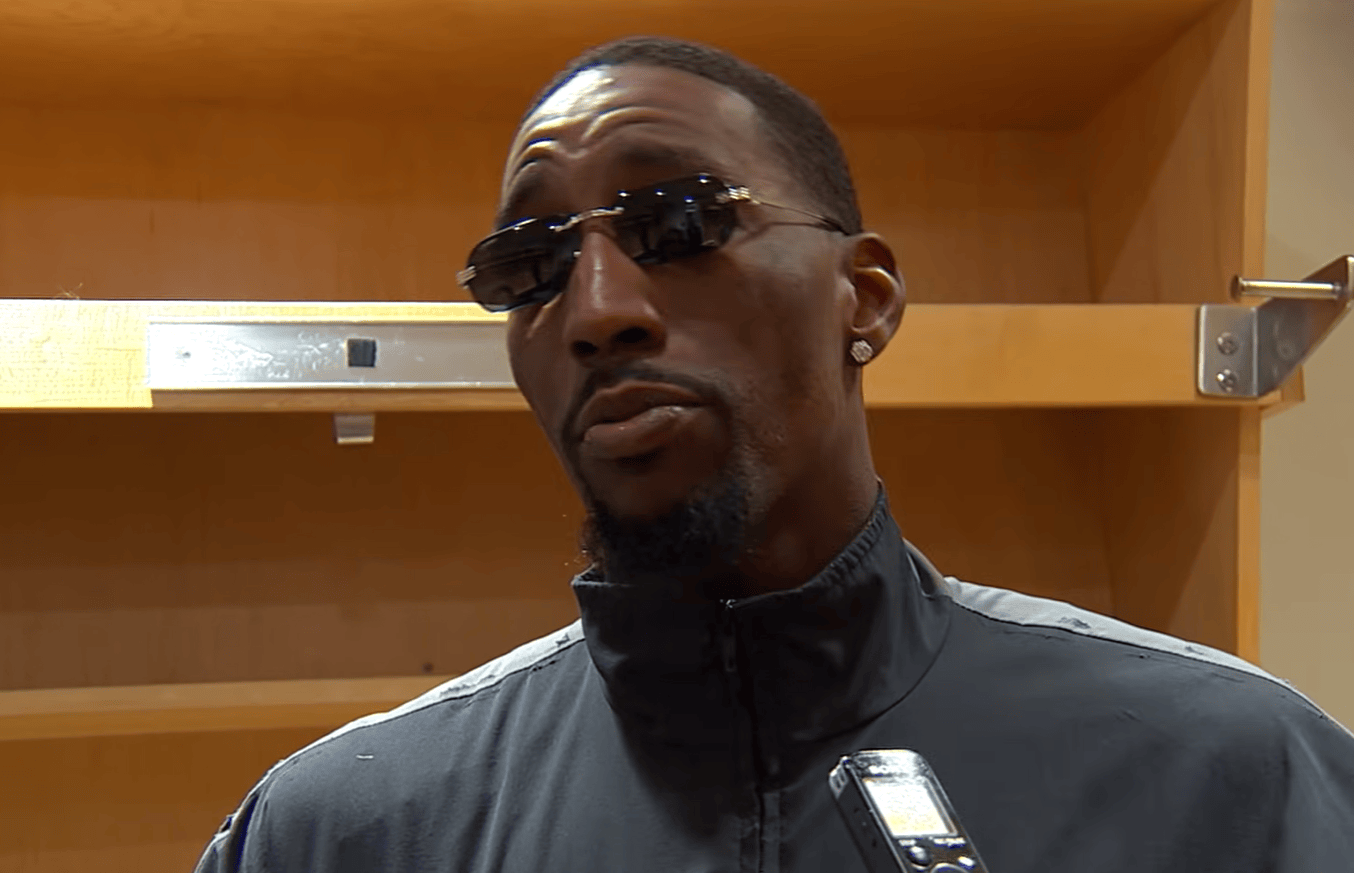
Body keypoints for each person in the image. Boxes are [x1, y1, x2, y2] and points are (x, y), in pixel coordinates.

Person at [195, 37, 1354, 872]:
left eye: (679, 223)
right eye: (530, 267)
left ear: (865, 298)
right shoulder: (342, 832)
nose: (596, 310)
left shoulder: (1233, 777)